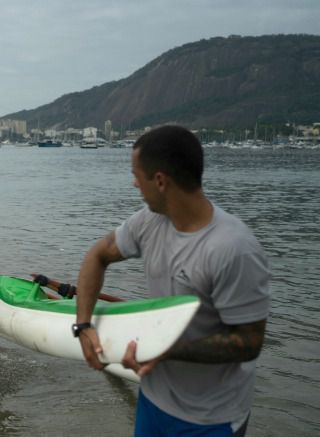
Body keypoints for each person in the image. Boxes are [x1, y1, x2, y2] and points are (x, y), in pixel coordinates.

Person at [74, 125, 270, 436]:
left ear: (161, 181)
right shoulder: (150, 221)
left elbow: (249, 343)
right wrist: (83, 326)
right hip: (153, 402)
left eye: (137, 175)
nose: (134, 183)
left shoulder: (234, 249)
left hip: (212, 418)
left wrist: (165, 349)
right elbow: (97, 255)